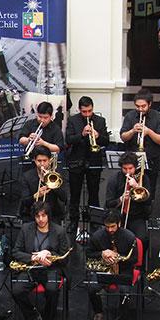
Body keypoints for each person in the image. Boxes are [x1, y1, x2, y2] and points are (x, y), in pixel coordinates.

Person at [11, 201, 70, 320]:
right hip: (31, 268)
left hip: (51, 268)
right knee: (17, 291)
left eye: (43, 216)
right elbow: (16, 252)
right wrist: (33, 257)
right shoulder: (26, 229)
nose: (41, 219)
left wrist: (49, 254)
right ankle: (32, 317)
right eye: (37, 216)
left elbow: (65, 257)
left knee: (52, 289)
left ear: (48, 216)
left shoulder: (59, 231)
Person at [86, 210, 138, 320]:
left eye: (113, 226)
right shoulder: (97, 236)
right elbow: (88, 253)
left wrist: (117, 258)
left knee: (125, 292)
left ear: (119, 224)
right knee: (92, 287)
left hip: (123, 270)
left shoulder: (129, 237)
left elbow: (134, 259)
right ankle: (98, 312)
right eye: (107, 226)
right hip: (104, 269)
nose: (110, 229)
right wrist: (102, 254)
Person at [65, 96, 109, 233]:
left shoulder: (100, 121)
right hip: (76, 161)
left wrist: (98, 136)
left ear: (92, 108)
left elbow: (106, 141)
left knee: (94, 192)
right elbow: (68, 139)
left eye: (90, 111)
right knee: (75, 194)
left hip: (94, 160)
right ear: (79, 109)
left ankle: (94, 221)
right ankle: (73, 221)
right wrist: (82, 134)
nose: (87, 114)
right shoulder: (73, 120)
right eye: (84, 112)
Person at [119, 88, 160, 200]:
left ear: (150, 104)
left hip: (151, 160)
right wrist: (132, 131)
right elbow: (123, 137)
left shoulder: (158, 118)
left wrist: (149, 132)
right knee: (129, 191)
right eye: (137, 106)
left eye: (143, 106)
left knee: (150, 192)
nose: (140, 109)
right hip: (132, 162)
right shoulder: (130, 116)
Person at [105, 152, 150, 246]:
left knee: (142, 240)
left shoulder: (144, 178)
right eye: (125, 169)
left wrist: (137, 187)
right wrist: (120, 199)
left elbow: (148, 202)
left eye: (130, 168)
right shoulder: (114, 179)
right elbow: (108, 203)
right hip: (119, 215)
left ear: (135, 167)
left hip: (137, 216)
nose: (128, 172)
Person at [20, 146, 67, 224]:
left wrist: (53, 184)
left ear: (49, 160)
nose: (42, 164)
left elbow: (64, 198)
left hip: (53, 216)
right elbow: (24, 201)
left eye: (45, 160)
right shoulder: (27, 176)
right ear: (35, 161)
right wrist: (37, 195)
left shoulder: (57, 175)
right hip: (33, 216)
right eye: (39, 161)